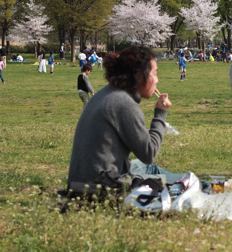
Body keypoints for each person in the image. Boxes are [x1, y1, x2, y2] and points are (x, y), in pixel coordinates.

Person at [68, 46, 183, 186]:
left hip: (81, 180)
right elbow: (149, 154)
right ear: (139, 77)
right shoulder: (125, 104)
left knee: (151, 169)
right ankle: (193, 184)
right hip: (101, 185)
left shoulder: (107, 93)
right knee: (182, 183)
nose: (157, 80)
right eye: (155, 73)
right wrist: (160, 113)